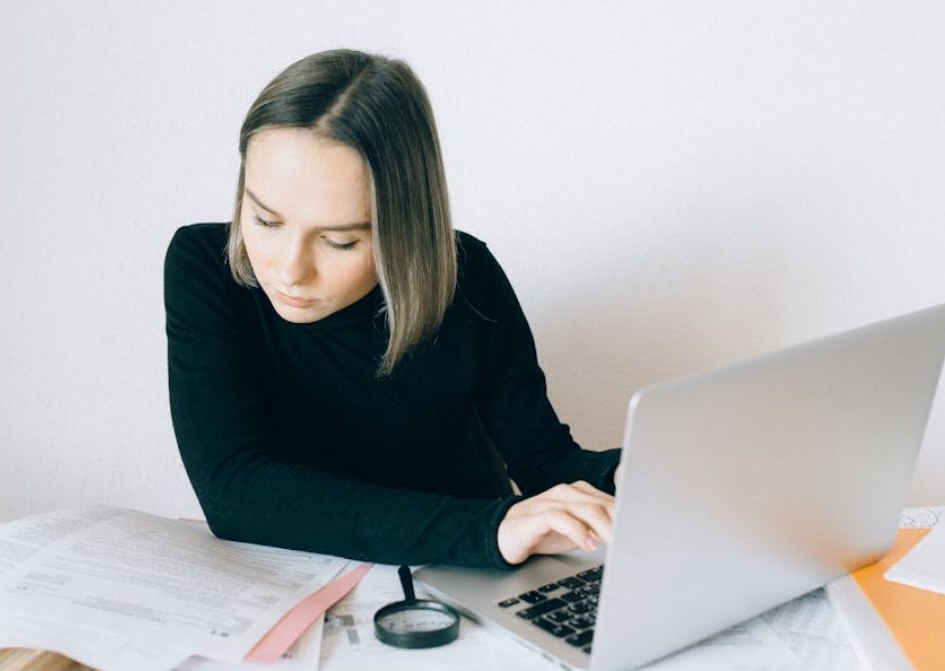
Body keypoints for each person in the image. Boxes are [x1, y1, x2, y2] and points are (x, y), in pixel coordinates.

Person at [164, 49, 620, 570]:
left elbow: (545, 462)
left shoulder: (466, 275)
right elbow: (235, 492)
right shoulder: (204, 266)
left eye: (338, 242)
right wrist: (491, 528)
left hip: (461, 577)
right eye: (266, 221)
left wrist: (629, 475)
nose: (290, 270)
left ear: (402, 224)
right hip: (316, 586)